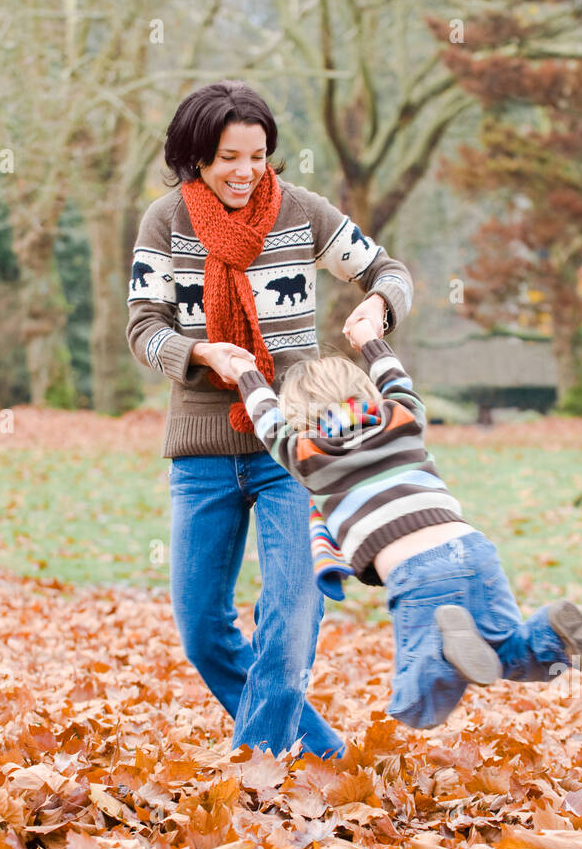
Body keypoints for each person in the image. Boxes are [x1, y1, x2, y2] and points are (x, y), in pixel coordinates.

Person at [126, 79, 414, 758]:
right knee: (201, 629)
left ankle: (256, 777)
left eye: (257, 155)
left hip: (296, 442)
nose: (245, 171)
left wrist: (380, 308)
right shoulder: (164, 223)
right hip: (201, 450)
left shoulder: (301, 214)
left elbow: (387, 269)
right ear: (196, 156)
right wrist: (200, 352)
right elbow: (143, 328)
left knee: (290, 619)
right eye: (229, 157)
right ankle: (322, 752)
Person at [230, 319, 582, 731]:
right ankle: (552, 629)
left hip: (416, 573)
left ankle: (444, 653)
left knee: (416, 701)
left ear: (298, 418)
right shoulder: (402, 418)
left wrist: (246, 374)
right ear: (365, 392)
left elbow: (267, 421)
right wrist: (371, 342)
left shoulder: (306, 454)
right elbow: (397, 381)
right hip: (473, 549)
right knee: (508, 653)